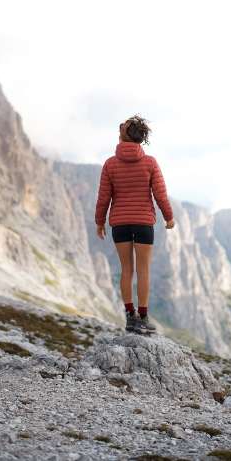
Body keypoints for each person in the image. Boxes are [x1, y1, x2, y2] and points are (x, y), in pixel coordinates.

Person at [94, 115, 175, 334]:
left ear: (124, 135)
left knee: (126, 270)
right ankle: (144, 316)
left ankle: (130, 318)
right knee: (143, 270)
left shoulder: (110, 164)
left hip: (119, 223)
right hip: (143, 224)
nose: (120, 126)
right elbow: (160, 195)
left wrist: (99, 222)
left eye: (123, 126)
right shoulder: (150, 163)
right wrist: (169, 217)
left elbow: (104, 198)